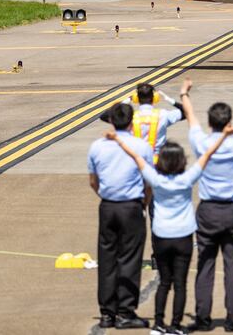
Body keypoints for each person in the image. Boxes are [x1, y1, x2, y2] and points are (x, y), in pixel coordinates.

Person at [107, 120, 233, 335]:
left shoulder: (156, 180)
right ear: (181, 162)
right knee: (180, 284)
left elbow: (137, 158)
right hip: (183, 235)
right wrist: (223, 136)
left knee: (164, 283)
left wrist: (118, 140)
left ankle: (159, 323)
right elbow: (207, 156)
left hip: (161, 235)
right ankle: (176, 325)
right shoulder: (187, 179)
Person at [187, 74, 233, 331]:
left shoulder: (201, 143)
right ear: (229, 122)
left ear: (210, 123)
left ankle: (203, 317)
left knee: (205, 266)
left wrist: (185, 94)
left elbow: (191, 119)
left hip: (207, 210)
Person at [88, 103, 154, 329]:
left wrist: (106, 197)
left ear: (111, 122)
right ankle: (126, 311)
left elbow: (93, 181)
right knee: (130, 258)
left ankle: (107, 313)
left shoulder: (97, 146)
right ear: (131, 121)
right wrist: (143, 204)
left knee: (107, 258)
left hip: (107, 207)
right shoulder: (142, 146)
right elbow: (148, 182)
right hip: (131, 206)